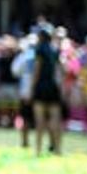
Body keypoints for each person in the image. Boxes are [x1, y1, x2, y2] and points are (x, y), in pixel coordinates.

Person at [29, 28, 63, 156]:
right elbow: (61, 70)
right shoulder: (55, 50)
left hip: (41, 86)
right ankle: (58, 149)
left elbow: (37, 70)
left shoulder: (39, 50)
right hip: (53, 86)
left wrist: (32, 88)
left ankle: (38, 150)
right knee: (55, 118)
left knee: (40, 120)